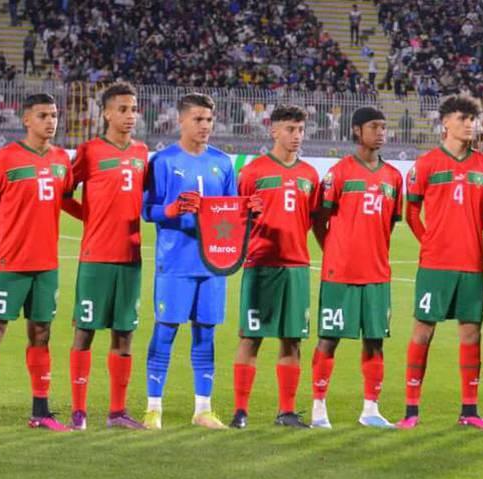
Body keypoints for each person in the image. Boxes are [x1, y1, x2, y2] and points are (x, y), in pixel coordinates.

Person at [141, 93, 247, 430]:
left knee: (206, 333)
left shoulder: (223, 162)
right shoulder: (163, 161)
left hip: (213, 265)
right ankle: (153, 408)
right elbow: (147, 210)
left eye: (209, 120)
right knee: (166, 330)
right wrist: (170, 210)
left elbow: (232, 211)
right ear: (181, 121)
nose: (205, 126)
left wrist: (250, 212)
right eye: (198, 119)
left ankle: (203, 409)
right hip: (175, 263)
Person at [395, 94, 483, 430]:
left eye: (473, 119)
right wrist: (430, 240)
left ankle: (469, 410)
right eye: (463, 118)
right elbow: (411, 211)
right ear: (445, 124)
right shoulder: (426, 165)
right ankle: (411, 410)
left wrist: (466, 236)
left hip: (471, 263)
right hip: (435, 264)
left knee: (471, 334)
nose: (470, 124)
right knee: (423, 331)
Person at [0, 93, 74, 433]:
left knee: (41, 334)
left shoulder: (61, 159)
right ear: (26, 120)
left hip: (46, 265)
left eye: (54, 115)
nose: (51, 121)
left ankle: (41, 411)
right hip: (9, 263)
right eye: (43, 115)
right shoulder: (6, 158)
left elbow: (67, 198)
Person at [61, 82, 149, 430]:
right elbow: (63, 192)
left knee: (124, 333)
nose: (130, 116)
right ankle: (79, 412)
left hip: (130, 259)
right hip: (95, 258)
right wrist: (88, 216)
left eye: (133, 109)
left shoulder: (142, 153)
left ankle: (117, 412)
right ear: (106, 113)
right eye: (123, 109)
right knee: (85, 332)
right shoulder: (90, 151)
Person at [310, 107, 403, 429]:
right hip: (340, 273)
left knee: (375, 340)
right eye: (374, 127)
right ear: (356, 131)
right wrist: (335, 251)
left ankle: (371, 410)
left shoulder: (393, 176)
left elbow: (389, 224)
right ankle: (318, 409)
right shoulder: (339, 173)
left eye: (383, 126)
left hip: (377, 273)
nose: (381, 132)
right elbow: (319, 221)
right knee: (329, 338)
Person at [230, 105, 319, 430]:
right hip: (260, 265)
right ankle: (240, 411)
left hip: (296, 266)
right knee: (251, 337)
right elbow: (238, 217)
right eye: (290, 130)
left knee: (292, 339)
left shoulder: (310, 174)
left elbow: (309, 219)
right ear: (274, 131)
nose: (296, 136)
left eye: (300, 130)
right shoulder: (253, 172)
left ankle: (287, 411)